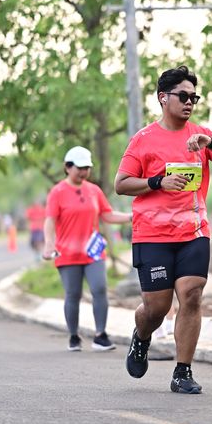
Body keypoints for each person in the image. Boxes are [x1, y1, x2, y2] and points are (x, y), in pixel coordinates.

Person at [114, 64, 212, 394]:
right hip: (153, 235)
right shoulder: (143, 140)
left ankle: (182, 372)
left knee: (191, 295)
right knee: (157, 308)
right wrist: (157, 182)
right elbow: (121, 183)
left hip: (194, 232)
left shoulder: (200, 135)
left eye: (193, 98)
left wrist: (210, 143)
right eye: (183, 96)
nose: (189, 102)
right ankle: (141, 336)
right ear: (163, 98)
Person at [43, 145, 132, 352]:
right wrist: (49, 243)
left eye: (87, 168)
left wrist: (131, 217)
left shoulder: (94, 190)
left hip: (93, 251)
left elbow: (107, 214)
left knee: (99, 289)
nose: (84, 172)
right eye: (79, 168)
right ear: (67, 167)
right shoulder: (57, 192)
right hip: (68, 252)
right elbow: (50, 220)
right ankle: (74, 336)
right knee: (73, 294)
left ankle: (100, 335)